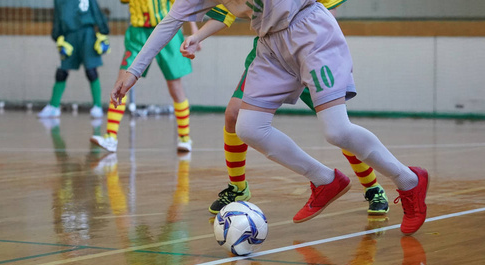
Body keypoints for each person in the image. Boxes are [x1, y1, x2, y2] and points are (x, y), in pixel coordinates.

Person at [109, 0, 429, 235]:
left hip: (309, 32)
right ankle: (325, 179)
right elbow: (168, 24)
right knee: (247, 126)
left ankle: (408, 181)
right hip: (270, 45)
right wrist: (134, 71)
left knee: (336, 130)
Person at [177, 1, 390, 216]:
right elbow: (226, 12)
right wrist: (198, 36)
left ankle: (372, 186)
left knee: (338, 129)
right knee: (234, 114)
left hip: (309, 47)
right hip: (270, 51)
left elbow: (328, 10)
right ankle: (237, 188)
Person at [90, 0, 231, 152]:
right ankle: (111, 136)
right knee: (122, 80)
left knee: (175, 86)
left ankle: (184, 137)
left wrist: (195, 31)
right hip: (138, 32)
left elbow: (187, 5)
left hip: (167, 29)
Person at [38, 0, 110, 119]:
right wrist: (57, 35)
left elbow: (95, 10)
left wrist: (103, 30)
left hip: (87, 34)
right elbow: (57, 16)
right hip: (69, 35)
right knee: (62, 71)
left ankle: (97, 106)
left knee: (91, 70)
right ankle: (54, 106)